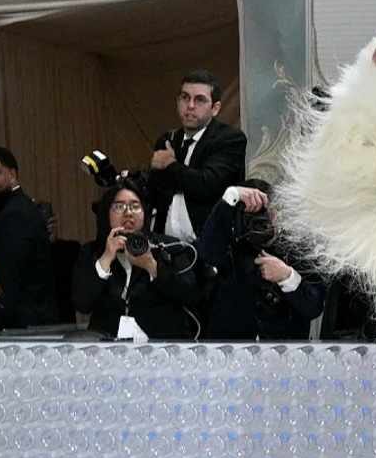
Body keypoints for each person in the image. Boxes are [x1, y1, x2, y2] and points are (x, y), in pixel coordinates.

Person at [196, 180, 325, 340]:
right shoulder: (227, 242)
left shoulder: (298, 247)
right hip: (231, 344)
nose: (257, 222)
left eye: (263, 213)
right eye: (248, 215)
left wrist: (287, 276)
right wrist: (230, 197)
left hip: (282, 348)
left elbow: (314, 307)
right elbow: (206, 254)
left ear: (276, 213)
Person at [72, 180, 200, 340]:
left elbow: (190, 295)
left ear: (145, 212)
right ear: (106, 213)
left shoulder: (170, 247)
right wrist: (106, 258)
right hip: (108, 344)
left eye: (135, 206)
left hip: (160, 344)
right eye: (119, 206)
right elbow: (82, 304)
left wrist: (151, 266)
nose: (128, 213)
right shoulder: (91, 251)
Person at [147, 70, 248, 241]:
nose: (190, 105)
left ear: (215, 108)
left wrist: (170, 165)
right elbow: (155, 190)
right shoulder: (168, 140)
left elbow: (207, 185)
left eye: (200, 100)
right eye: (185, 97)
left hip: (208, 246)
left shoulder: (229, 139)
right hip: (165, 243)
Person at [0, 146, 57, 330]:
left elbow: (7, 280)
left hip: (21, 328)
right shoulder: (14, 209)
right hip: (26, 324)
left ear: (12, 175)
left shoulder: (13, 215)